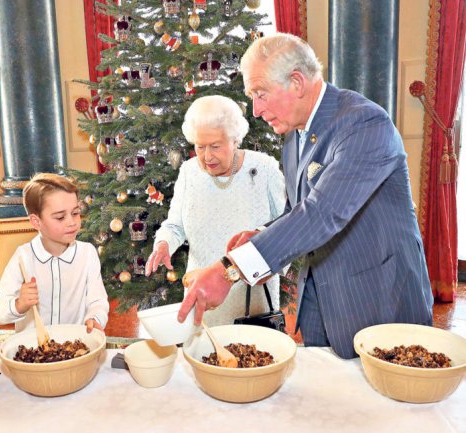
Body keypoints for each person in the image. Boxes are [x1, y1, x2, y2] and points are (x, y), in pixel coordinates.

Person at [178, 33, 433, 359]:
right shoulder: (295, 134)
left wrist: (230, 269)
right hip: (322, 305)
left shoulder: (365, 125)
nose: (255, 110)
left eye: (260, 94)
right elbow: (297, 211)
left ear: (296, 82)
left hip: (380, 302)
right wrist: (263, 234)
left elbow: (321, 213)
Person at [145, 95, 285, 326]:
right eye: (200, 147)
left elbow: (286, 229)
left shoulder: (264, 168)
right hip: (202, 297)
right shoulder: (189, 172)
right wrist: (164, 244)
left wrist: (268, 265)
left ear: (235, 140)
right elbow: (175, 226)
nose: (207, 156)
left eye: (215, 146)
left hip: (252, 302)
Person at [0, 173, 109, 333]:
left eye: (75, 213)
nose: (72, 222)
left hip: (74, 346)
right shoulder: (23, 257)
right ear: (36, 221)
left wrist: (95, 318)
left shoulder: (87, 253)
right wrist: (19, 304)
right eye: (60, 217)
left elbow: (98, 301)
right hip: (33, 352)